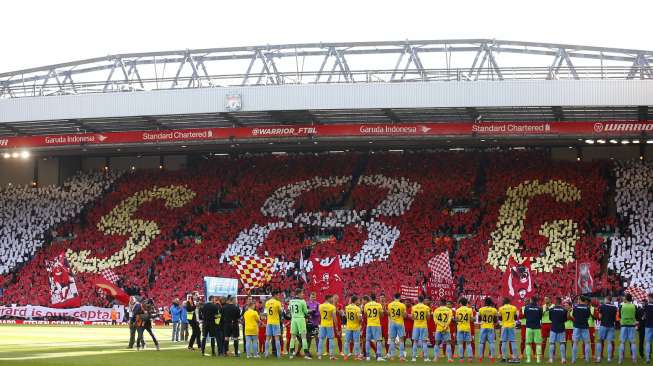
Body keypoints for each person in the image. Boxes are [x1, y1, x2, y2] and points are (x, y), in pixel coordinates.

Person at [288, 288, 311, 359]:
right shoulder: (302, 301)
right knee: (303, 337)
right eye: (302, 293)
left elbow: (289, 309)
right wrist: (309, 312)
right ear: (298, 294)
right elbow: (306, 312)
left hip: (293, 319)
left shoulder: (291, 301)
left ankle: (291, 354)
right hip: (300, 319)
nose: (303, 294)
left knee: (293, 337)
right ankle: (306, 354)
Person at [596, 295, 617, 363]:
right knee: (609, 342)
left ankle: (599, 357)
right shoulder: (614, 307)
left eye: (605, 299)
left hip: (603, 325)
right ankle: (609, 358)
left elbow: (600, 317)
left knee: (599, 341)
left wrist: (599, 314)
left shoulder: (602, 306)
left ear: (606, 299)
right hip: (611, 326)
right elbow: (615, 317)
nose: (604, 300)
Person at [364, 293, 385, 361]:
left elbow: (365, 314)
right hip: (376, 324)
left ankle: (368, 356)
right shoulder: (379, 305)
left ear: (370, 298)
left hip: (369, 324)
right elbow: (382, 315)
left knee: (367, 340)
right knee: (378, 340)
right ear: (375, 298)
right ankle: (379, 356)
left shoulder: (366, 305)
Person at [571, 295, 592, 364]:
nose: (577, 300)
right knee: (587, 343)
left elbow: (573, 315)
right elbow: (588, 316)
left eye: (578, 299)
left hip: (577, 326)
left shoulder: (576, 307)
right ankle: (587, 359)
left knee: (575, 343)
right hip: (585, 326)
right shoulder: (587, 307)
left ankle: (573, 359)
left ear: (580, 299)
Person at [499, 297, 519, 363]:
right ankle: (515, 357)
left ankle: (504, 358)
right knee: (513, 341)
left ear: (504, 302)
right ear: (509, 302)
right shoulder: (514, 308)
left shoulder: (501, 308)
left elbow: (500, 318)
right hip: (511, 326)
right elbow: (515, 318)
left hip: (504, 326)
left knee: (504, 342)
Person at [523, 296, 543, 363]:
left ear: (531, 300)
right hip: (537, 327)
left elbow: (525, 316)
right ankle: (538, 359)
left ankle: (528, 359)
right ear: (536, 301)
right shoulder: (539, 308)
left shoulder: (527, 307)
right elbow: (540, 317)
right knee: (538, 344)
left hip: (529, 327)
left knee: (528, 343)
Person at [387, 293, 407, 361]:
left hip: (392, 323)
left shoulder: (390, 304)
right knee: (401, 340)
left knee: (392, 340)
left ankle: (392, 356)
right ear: (400, 297)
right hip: (400, 323)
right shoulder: (402, 305)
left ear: (394, 297)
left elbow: (389, 314)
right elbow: (405, 316)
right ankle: (401, 356)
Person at [619, 293, 638, 364]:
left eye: (624, 297)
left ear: (626, 298)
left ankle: (620, 359)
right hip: (632, 325)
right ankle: (634, 359)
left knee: (622, 342)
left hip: (624, 325)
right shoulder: (634, 306)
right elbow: (636, 316)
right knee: (633, 342)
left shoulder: (622, 306)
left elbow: (620, 316)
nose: (623, 298)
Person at [478, 297, 498, 362]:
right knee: (491, 342)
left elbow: (479, 320)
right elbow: (495, 321)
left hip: (483, 327)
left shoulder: (481, 309)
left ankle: (480, 358)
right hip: (490, 327)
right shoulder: (494, 310)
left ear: (485, 302)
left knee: (481, 342)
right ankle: (492, 358)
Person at [318, 294, 338, 360]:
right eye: (332, 298)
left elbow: (320, 315)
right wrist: (337, 326)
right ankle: (331, 356)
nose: (332, 299)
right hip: (329, 325)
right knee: (331, 339)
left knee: (321, 339)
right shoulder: (332, 307)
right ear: (328, 298)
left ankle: (319, 355)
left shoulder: (320, 306)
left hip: (322, 324)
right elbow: (334, 317)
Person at [548, 297, 568, 364]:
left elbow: (550, 319)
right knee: (562, 343)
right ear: (561, 302)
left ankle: (551, 359)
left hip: (553, 328)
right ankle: (563, 359)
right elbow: (565, 319)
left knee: (552, 343)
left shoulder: (551, 310)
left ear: (556, 302)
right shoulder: (564, 310)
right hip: (561, 328)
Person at [411, 295, 431, 362]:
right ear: (423, 300)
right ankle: (426, 358)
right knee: (424, 342)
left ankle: (413, 358)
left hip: (416, 325)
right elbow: (428, 318)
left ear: (418, 299)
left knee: (415, 341)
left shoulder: (414, 307)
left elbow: (412, 317)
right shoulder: (426, 307)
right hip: (423, 326)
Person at [455, 297, 475, 363]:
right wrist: (472, 319)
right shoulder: (470, 310)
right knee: (468, 344)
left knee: (460, 344)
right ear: (466, 303)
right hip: (467, 328)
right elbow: (472, 320)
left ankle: (461, 358)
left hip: (460, 328)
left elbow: (456, 320)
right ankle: (470, 358)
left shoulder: (458, 310)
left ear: (460, 303)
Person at [264, 290, 283, 358]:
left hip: (269, 322)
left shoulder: (267, 302)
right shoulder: (277, 302)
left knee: (267, 339)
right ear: (275, 295)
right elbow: (280, 312)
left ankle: (266, 353)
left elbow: (266, 312)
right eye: (278, 295)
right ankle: (278, 355)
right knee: (277, 339)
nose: (279, 296)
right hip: (275, 322)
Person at [344, 295, 363, 361]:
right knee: (356, 342)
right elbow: (359, 318)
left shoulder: (347, 307)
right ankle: (356, 356)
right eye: (358, 300)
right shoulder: (357, 308)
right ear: (355, 300)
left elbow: (346, 316)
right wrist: (360, 321)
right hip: (355, 327)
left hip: (349, 326)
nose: (359, 301)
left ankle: (345, 356)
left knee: (347, 341)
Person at [644, 293, 653, 363]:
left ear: (650, 298)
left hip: (648, 326)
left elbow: (644, 316)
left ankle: (647, 358)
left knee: (648, 342)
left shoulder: (646, 306)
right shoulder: (646, 305)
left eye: (648, 297)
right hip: (649, 325)